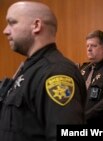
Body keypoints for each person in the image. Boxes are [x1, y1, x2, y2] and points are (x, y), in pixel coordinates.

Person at [0, 1, 86, 141]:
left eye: (12, 22)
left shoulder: (56, 73)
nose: (5, 31)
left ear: (36, 25)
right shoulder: (30, 69)